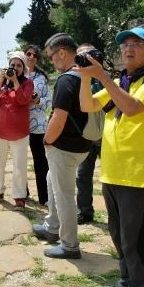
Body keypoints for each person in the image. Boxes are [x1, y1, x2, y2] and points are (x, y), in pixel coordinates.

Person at [76, 27, 144, 287]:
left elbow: (131, 108)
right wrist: (84, 78)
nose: (128, 48)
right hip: (113, 169)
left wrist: (102, 77)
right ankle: (126, 283)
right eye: (125, 44)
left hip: (138, 171)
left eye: (138, 44)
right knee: (118, 234)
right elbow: (88, 104)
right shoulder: (122, 81)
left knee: (135, 238)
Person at [32, 33, 91, 260]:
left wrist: (47, 140)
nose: (51, 61)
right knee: (51, 181)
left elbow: (58, 117)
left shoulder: (67, 79)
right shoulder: (85, 76)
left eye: (51, 56)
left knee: (64, 193)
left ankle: (69, 245)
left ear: (62, 53)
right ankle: (52, 226)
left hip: (64, 146)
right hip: (81, 144)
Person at [0, 51, 34, 208]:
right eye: (12, 65)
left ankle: (19, 196)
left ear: (24, 68)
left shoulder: (28, 83)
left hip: (19, 132)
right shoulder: (3, 83)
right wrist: (1, 79)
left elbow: (22, 100)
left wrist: (15, 82)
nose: (15, 68)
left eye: (19, 65)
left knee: (19, 166)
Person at [75, 43, 104, 224]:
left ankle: (117, 213)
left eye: (88, 55)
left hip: (107, 133)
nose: (85, 59)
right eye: (81, 56)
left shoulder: (105, 77)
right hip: (86, 133)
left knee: (111, 177)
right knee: (83, 174)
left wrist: (99, 73)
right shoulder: (74, 78)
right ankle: (85, 211)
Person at [24, 44, 51, 205]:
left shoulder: (42, 78)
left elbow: (50, 100)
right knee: (20, 161)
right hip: (19, 123)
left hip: (39, 124)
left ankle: (45, 197)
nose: (31, 57)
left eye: (35, 55)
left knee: (41, 162)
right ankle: (22, 193)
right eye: (28, 53)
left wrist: (38, 100)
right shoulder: (16, 75)